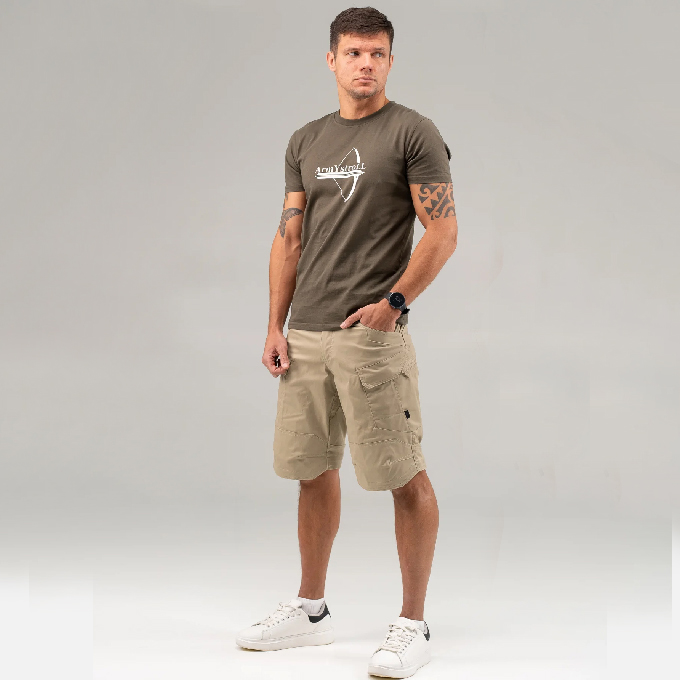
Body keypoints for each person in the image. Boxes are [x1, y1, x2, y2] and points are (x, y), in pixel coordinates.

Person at [236, 7, 457, 678]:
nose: (366, 63)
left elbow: (443, 231)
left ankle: (413, 623)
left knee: (402, 474)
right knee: (312, 471)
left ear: (391, 61)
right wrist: (274, 324)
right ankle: (312, 612)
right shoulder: (306, 140)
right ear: (331, 60)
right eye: (355, 52)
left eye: (378, 53)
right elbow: (289, 238)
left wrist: (394, 305)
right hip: (305, 335)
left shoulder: (412, 132)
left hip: (369, 338)